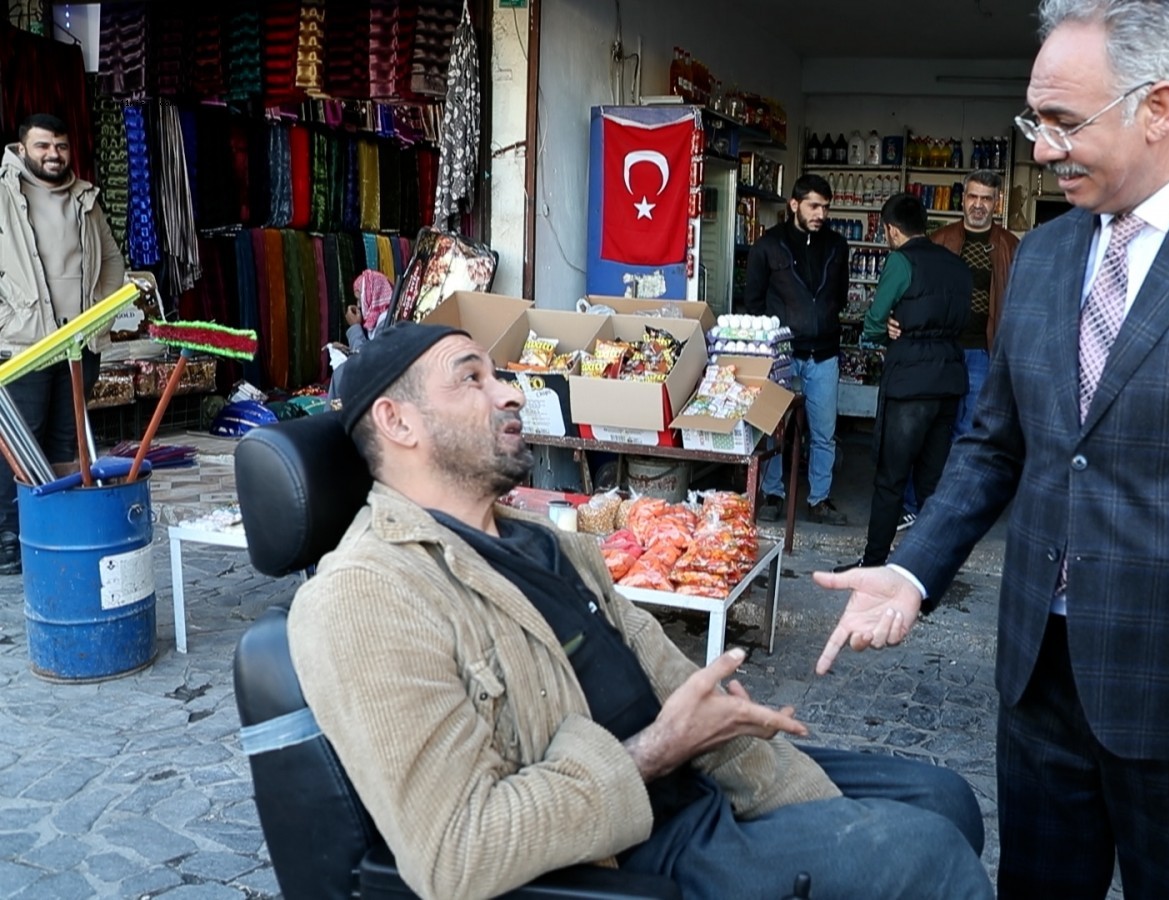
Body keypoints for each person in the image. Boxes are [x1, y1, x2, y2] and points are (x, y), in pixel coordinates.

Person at [813, 1, 1169, 897]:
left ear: (1158, 107)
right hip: (1039, 683)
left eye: (1064, 123)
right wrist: (914, 569)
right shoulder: (1040, 258)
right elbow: (998, 445)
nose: (1041, 148)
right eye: (1034, 121)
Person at [287, 322, 993, 900]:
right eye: (473, 378)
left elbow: (657, 666)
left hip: (697, 776)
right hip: (630, 848)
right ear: (397, 421)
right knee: (924, 857)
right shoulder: (364, 595)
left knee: (944, 799)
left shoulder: (540, 541)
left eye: (498, 374)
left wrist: (716, 724)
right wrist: (662, 749)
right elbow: (458, 852)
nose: (509, 392)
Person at [0, 113, 126, 575]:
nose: (53, 155)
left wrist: (100, 312)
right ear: (21, 148)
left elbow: (112, 260)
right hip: (23, 345)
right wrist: (8, 319)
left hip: (78, 343)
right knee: (16, 442)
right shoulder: (3, 193)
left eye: (61, 146)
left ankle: (49, 529)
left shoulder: (85, 197)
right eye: (43, 146)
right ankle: (8, 536)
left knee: (64, 438)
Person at [834, 193, 968, 574]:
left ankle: (875, 561)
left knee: (891, 478)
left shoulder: (900, 260)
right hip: (949, 379)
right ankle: (928, 565)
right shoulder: (955, 265)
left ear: (892, 230)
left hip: (910, 380)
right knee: (931, 480)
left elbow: (875, 320)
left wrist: (885, 330)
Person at [899, 170, 1023, 531]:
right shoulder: (940, 240)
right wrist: (898, 319)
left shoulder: (1011, 247)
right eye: (973, 197)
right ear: (962, 199)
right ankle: (913, 504)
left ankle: (949, 506)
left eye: (986, 198)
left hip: (982, 354)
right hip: (939, 350)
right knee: (926, 427)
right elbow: (913, 290)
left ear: (996, 203)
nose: (979, 205)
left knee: (968, 433)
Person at [745, 174, 850, 526]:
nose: (821, 213)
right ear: (794, 205)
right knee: (773, 427)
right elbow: (753, 302)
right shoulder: (768, 245)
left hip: (823, 353)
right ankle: (773, 493)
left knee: (823, 432)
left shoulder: (837, 245)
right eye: (814, 206)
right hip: (782, 355)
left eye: (825, 207)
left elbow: (841, 295)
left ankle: (819, 499)